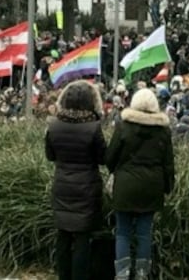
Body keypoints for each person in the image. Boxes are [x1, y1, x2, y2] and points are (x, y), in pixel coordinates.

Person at [106, 88, 175, 280]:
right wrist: (169, 186)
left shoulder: (123, 126)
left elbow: (110, 156)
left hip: (126, 185)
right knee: (145, 233)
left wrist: (115, 170)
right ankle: (142, 274)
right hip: (152, 186)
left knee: (123, 233)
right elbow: (168, 163)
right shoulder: (163, 130)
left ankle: (122, 274)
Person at [45, 80, 107, 280]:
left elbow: (50, 155)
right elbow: (103, 158)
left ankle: (63, 275)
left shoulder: (53, 125)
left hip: (62, 185)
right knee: (82, 238)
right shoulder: (93, 127)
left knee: (62, 235)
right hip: (87, 188)